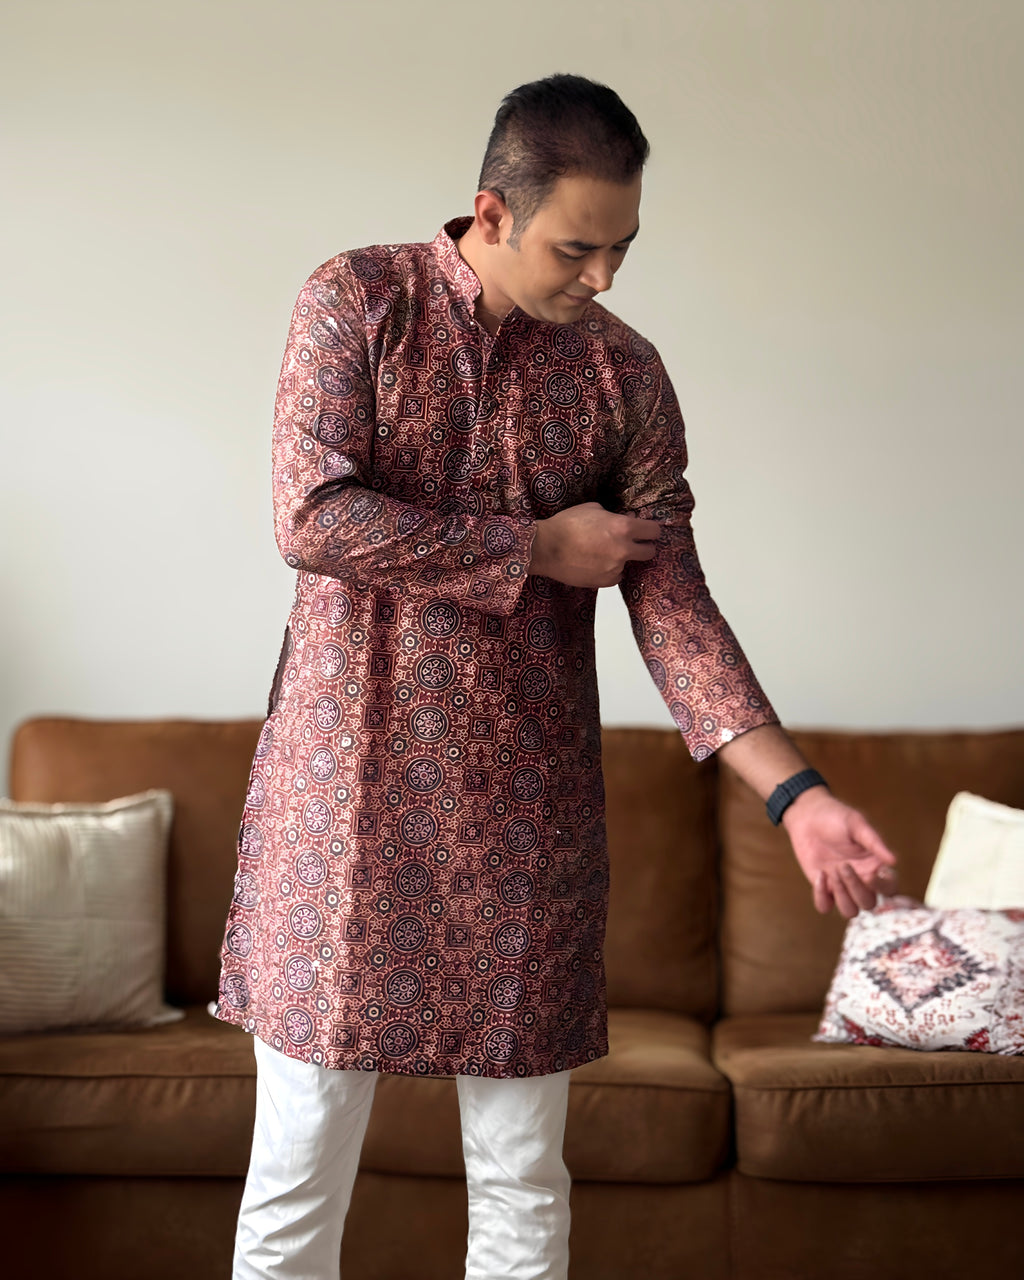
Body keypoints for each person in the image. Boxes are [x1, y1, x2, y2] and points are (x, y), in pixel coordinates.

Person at [213, 73, 899, 1280]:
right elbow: (310, 516)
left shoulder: (622, 375)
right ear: (491, 211)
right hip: (345, 806)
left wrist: (796, 793)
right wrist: (532, 545)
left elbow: (672, 599)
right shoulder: (357, 300)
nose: (604, 278)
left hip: (526, 822)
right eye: (578, 248)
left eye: (623, 247)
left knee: (525, 1179)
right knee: (297, 1177)